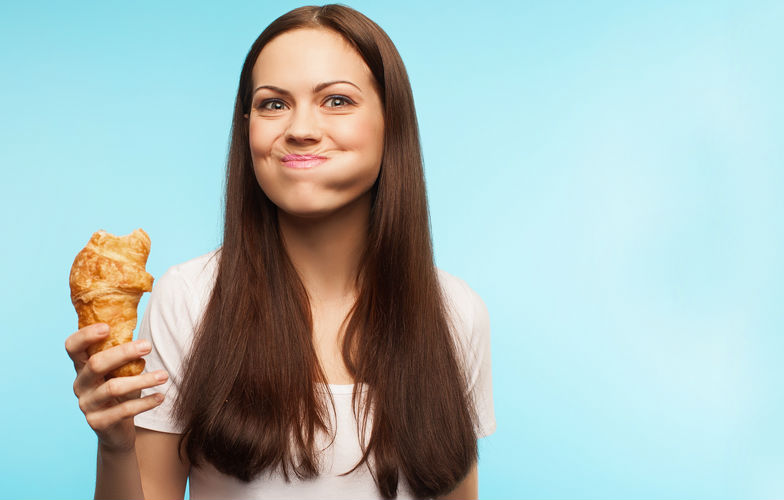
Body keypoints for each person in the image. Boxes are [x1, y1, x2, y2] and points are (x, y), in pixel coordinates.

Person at [64, 4, 495, 499]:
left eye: (336, 101)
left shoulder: (457, 312)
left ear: (391, 120)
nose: (300, 129)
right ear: (246, 125)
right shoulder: (191, 299)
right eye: (273, 104)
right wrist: (115, 446)